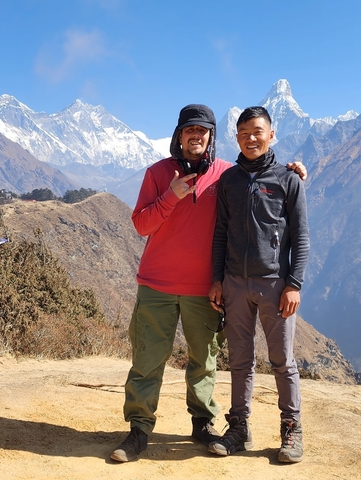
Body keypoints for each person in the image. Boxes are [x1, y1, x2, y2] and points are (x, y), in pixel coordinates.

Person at [111, 104, 306, 462]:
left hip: (206, 289)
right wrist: (171, 195)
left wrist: (291, 171)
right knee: (147, 360)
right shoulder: (158, 173)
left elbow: (260, 180)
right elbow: (141, 225)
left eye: (203, 131)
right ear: (179, 135)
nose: (196, 136)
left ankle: (202, 423)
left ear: (212, 137)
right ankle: (139, 430)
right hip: (156, 285)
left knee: (204, 361)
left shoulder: (225, 176)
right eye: (189, 130)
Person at [207, 106, 309, 463]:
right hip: (234, 283)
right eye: (244, 132)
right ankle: (239, 428)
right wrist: (217, 279)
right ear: (236, 138)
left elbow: (301, 237)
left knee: (282, 360)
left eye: (258, 131)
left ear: (271, 135)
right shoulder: (229, 181)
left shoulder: (288, 179)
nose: (251, 138)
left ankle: (292, 430)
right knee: (240, 360)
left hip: (275, 286)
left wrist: (293, 283)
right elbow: (220, 233)